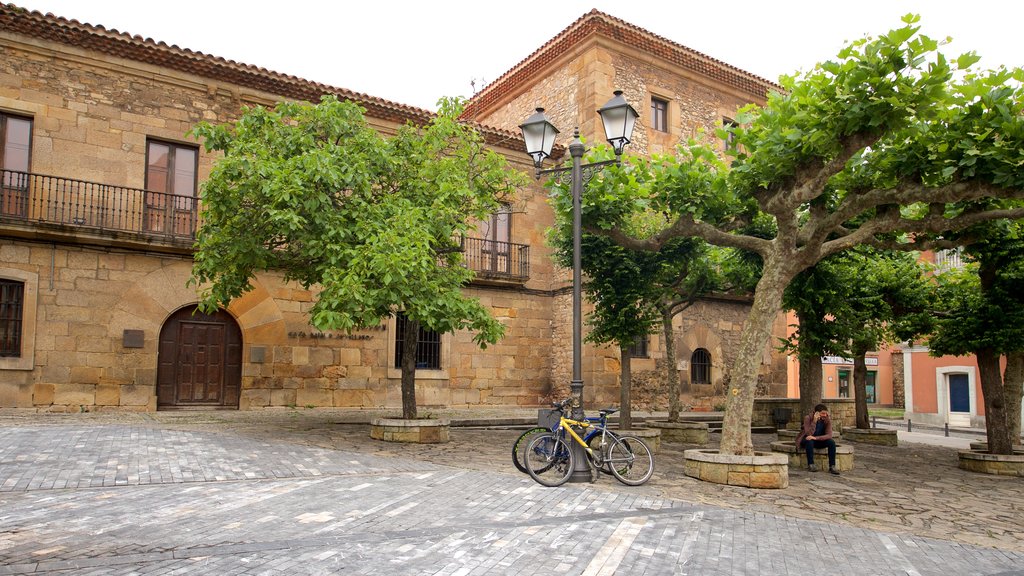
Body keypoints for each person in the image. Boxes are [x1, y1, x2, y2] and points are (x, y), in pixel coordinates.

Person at [795, 403, 840, 475]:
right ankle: (811, 464)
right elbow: (808, 434)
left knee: (831, 442)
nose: (825, 415)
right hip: (806, 440)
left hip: (817, 439)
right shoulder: (808, 418)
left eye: (826, 413)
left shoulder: (827, 419)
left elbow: (829, 435)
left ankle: (832, 466)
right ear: (816, 413)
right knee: (809, 441)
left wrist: (816, 438)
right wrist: (814, 422)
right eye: (823, 413)